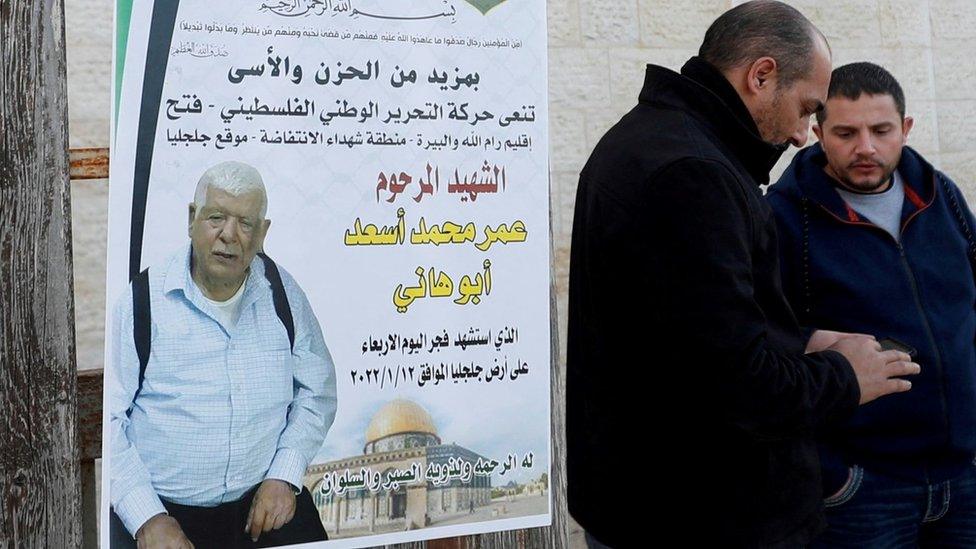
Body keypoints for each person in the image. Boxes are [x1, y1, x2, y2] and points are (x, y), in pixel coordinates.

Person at [566, 2, 920, 547]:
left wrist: (799, 341)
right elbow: (736, 389)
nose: (804, 135)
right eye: (807, 109)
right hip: (701, 517)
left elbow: (682, 340)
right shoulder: (693, 174)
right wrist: (847, 377)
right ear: (761, 75)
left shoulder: (657, 141)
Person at [767, 62, 976, 547]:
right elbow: (762, 339)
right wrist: (832, 474)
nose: (865, 147)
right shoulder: (782, 217)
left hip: (965, 475)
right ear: (818, 133)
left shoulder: (940, 195)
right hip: (862, 489)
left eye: (881, 130)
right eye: (846, 132)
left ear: (904, 128)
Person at [108, 161, 337, 548]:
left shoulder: (282, 293)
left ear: (262, 233)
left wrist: (284, 474)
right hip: (164, 513)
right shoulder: (142, 301)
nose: (229, 236)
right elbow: (108, 420)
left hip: (264, 506)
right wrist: (146, 517)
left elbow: (318, 392)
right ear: (192, 219)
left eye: (246, 223)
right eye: (216, 217)